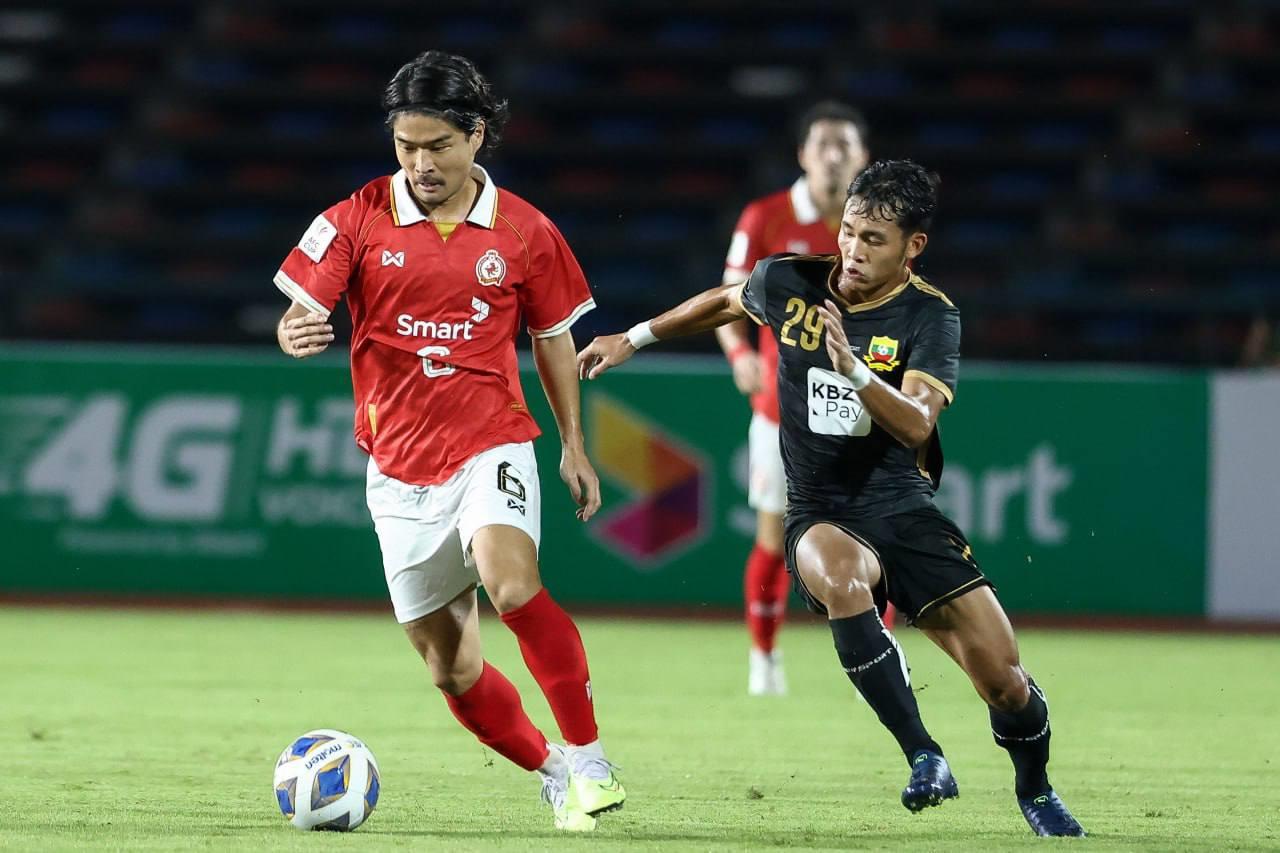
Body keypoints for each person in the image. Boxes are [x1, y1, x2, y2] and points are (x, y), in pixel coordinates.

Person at [577, 160, 1084, 837]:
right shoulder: (789, 281)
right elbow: (725, 301)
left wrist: (856, 373)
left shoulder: (931, 315)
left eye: (873, 239)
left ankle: (1036, 789)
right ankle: (924, 754)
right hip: (821, 509)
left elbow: (918, 424)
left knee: (1005, 681)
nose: (852, 249)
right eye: (847, 231)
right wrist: (632, 338)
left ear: (912, 247)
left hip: (904, 508)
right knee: (841, 578)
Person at [273, 50, 623, 832]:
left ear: (477, 135)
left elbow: (553, 338)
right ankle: (554, 771)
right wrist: (294, 329)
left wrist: (573, 442)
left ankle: (590, 757)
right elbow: (301, 310)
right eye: (407, 146)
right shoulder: (357, 217)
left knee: (511, 584)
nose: (421, 163)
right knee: (451, 667)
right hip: (397, 469)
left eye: (438, 145)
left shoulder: (527, 230)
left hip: (489, 442)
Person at [715, 100, 900, 696]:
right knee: (775, 539)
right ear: (803, 154)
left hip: (860, 411)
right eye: (823, 144)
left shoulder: (882, 226)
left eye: (845, 145)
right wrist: (740, 355)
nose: (833, 155)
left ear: (863, 157)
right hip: (783, 413)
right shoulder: (767, 217)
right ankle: (764, 658)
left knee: (876, 537)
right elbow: (726, 298)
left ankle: (884, 657)